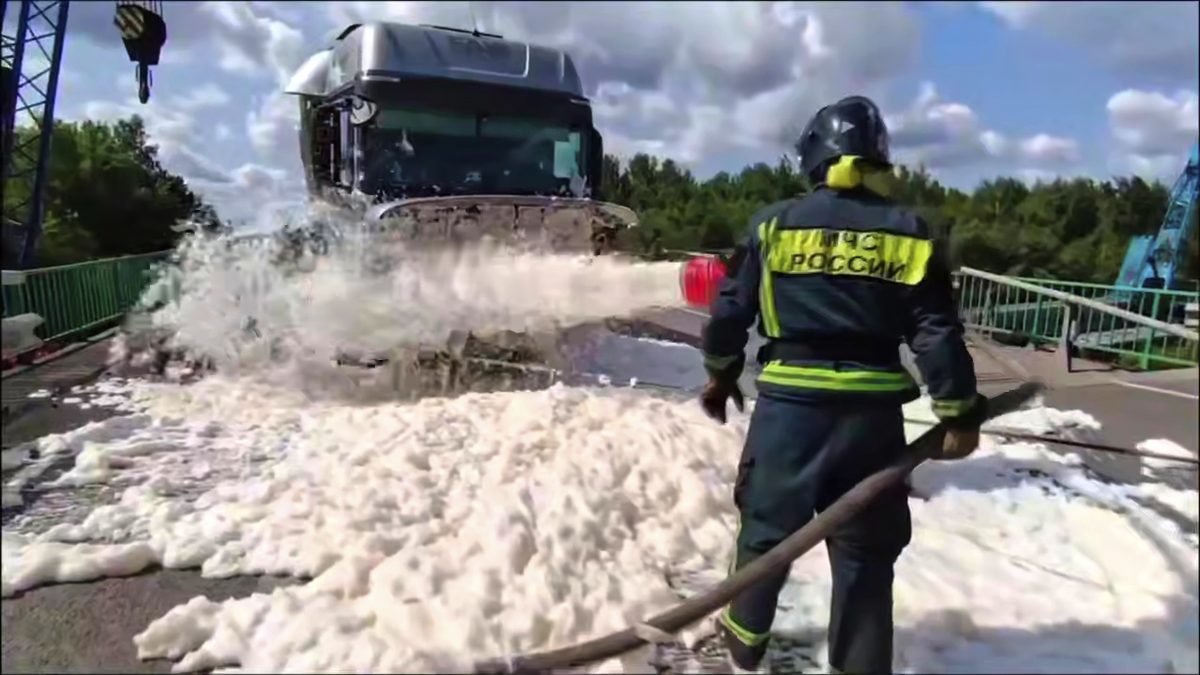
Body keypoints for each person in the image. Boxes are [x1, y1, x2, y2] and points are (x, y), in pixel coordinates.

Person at [699, 95, 987, 674]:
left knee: (765, 532)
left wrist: (721, 371)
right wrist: (957, 410)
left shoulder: (773, 225)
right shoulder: (910, 232)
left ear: (814, 156)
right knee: (866, 552)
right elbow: (935, 332)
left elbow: (729, 312)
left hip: (789, 412)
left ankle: (743, 643)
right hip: (871, 421)